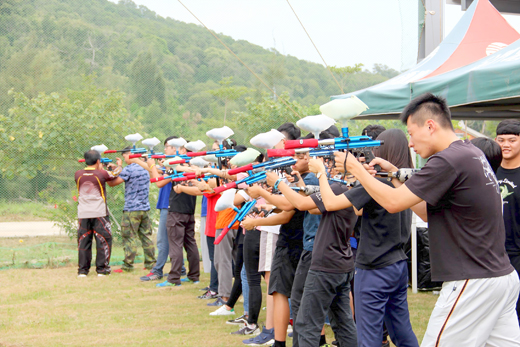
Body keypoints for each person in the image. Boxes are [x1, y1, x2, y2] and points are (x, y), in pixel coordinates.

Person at [335, 93, 520, 346]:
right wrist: (394, 174)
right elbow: (424, 211)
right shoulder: (469, 153)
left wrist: (356, 170)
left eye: (411, 133)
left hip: (472, 280)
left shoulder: (447, 160)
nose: (410, 143)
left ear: (430, 126)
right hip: (501, 278)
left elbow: (392, 203)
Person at [314, 129, 419, 347]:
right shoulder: (404, 182)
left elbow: (330, 204)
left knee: (368, 337)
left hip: (374, 269)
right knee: (401, 333)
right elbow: (359, 210)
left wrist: (321, 173)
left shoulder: (375, 185)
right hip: (398, 265)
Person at [264, 169, 358, 347]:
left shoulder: (336, 189)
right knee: (343, 323)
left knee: (307, 325)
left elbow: (300, 204)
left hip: (325, 265)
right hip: (341, 262)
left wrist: (278, 183)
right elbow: (313, 208)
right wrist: (300, 184)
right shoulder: (349, 189)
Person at [75, 150, 121, 277]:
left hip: (83, 213)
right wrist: (119, 165)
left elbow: (92, 173)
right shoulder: (101, 173)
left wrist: (99, 167)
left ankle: (82, 271)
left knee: (84, 241)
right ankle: (102, 270)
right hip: (99, 213)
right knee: (103, 240)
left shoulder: (78, 174)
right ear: (98, 161)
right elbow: (115, 173)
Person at [110, 148, 156, 273]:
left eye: (124, 157)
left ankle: (128, 265)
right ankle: (151, 263)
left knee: (129, 237)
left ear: (130, 155)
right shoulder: (146, 168)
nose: (125, 160)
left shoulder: (129, 169)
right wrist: (117, 168)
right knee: (146, 236)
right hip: (145, 208)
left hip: (132, 209)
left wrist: (113, 169)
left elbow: (113, 183)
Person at [496, 119, 520, 324]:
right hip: (492, 254)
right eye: (501, 140)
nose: (506, 144)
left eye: (512, 140)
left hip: (518, 253)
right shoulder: (488, 170)